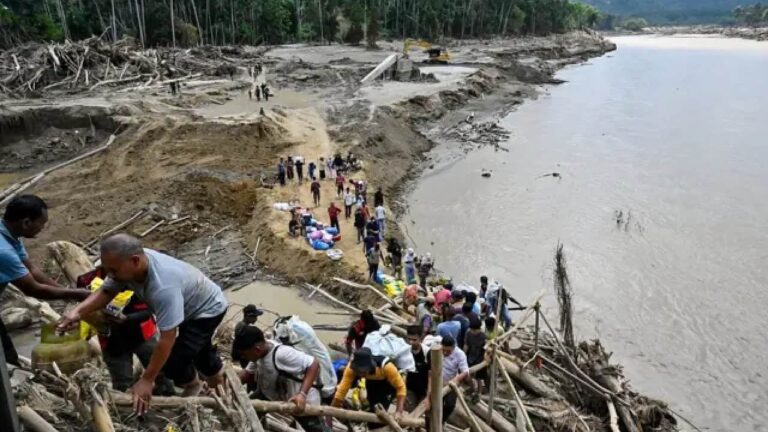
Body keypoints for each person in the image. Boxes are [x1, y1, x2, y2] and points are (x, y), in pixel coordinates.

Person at [57, 234, 229, 414]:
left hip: (206, 311)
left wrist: (147, 380)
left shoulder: (163, 288)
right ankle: (218, 382)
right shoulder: (128, 265)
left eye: (114, 271)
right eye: (107, 270)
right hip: (185, 305)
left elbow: (166, 339)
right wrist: (77, 313)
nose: (110, 275)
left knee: (173, 363)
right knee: (201, 351)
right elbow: (107, 291)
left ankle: (194, 384)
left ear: (135, 261)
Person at [0, 195, 90, 366]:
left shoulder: (10, 234)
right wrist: (79, 294)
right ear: (26, 222)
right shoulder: (3, 250)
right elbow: (33, 289)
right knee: (7, 360)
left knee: (7, 355)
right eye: (41, 223)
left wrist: (69, 294)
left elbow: (32, 270)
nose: (42, 228)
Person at [233, 326, 326, 432]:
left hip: (300, 400)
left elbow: (313, 364)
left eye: (245, 354)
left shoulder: (282, 354)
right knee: (249, 411)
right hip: (270, 394)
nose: (244, 358)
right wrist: (226, 383)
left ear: (256, 350)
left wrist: (302, 394)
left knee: (316, 429)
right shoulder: (258, 355)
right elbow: (247, 373)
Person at [332, 348, 406, 420]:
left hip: (387, 384)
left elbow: (401, 388)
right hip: (371, 382)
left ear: (370, 366)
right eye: (358, 372)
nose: (360, 374)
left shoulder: (387, 367)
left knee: (381, 407)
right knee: (372, 404)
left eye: (363, 372)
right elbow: (341, 391)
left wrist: (399, 412)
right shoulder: (351, 369)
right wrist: (332, 411)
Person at [425, 336, 468, 422]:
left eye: (448, 351)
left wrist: (456, 379)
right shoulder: (434, 352)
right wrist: (428, 394)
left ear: (453, 347)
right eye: (443, 350)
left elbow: (465, 371)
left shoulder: (460, 354)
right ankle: (432, 423)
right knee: (433, 405)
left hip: (450, 383)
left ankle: (441, 421)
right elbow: (430, 373)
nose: (445, 353)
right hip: (436, 383)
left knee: (450, 405)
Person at [405, 325, 430, 410]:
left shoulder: (427, 352)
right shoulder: (405, 351)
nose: (411, 342)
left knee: (422, 412)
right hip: (410, 388)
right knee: (409, 411)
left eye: (414, 340)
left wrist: (428, 395)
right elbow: (403, 372)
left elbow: (431, 375)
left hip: (424, 388)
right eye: (409, 339)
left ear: (421, 338)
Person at [464, 315, 487, 392]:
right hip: (470, 356)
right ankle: (472, 388)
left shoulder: (483, 336)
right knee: (468, 375)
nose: (472, 332)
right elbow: (466, 344)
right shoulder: (468, 332)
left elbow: (486, 348)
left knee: (479, 378)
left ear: (479, 329)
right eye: (472, 330)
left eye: (474, 330)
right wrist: (464, 355)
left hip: (480, 357)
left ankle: (479, 392)